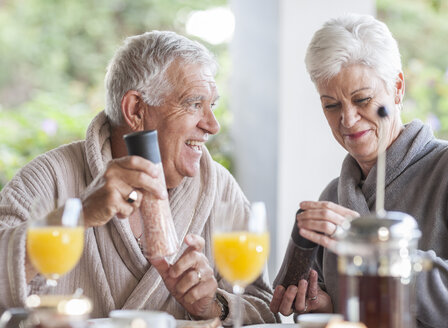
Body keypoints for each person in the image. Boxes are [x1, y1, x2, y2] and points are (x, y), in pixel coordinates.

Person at [0, 30, 277, 324]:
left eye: (213, 105)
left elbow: (264, 309)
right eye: (195, 104)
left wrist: (214, 305)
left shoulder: (219, 188)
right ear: (135, 110)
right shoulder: (48, 178)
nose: (213, 125)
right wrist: (76, 215)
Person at [270, 13, 448, 327]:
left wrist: (376, 251)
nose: (347, 120)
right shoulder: (333, 196)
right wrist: (323, 305)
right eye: (331, 105)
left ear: (398, 87)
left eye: (362, 99)